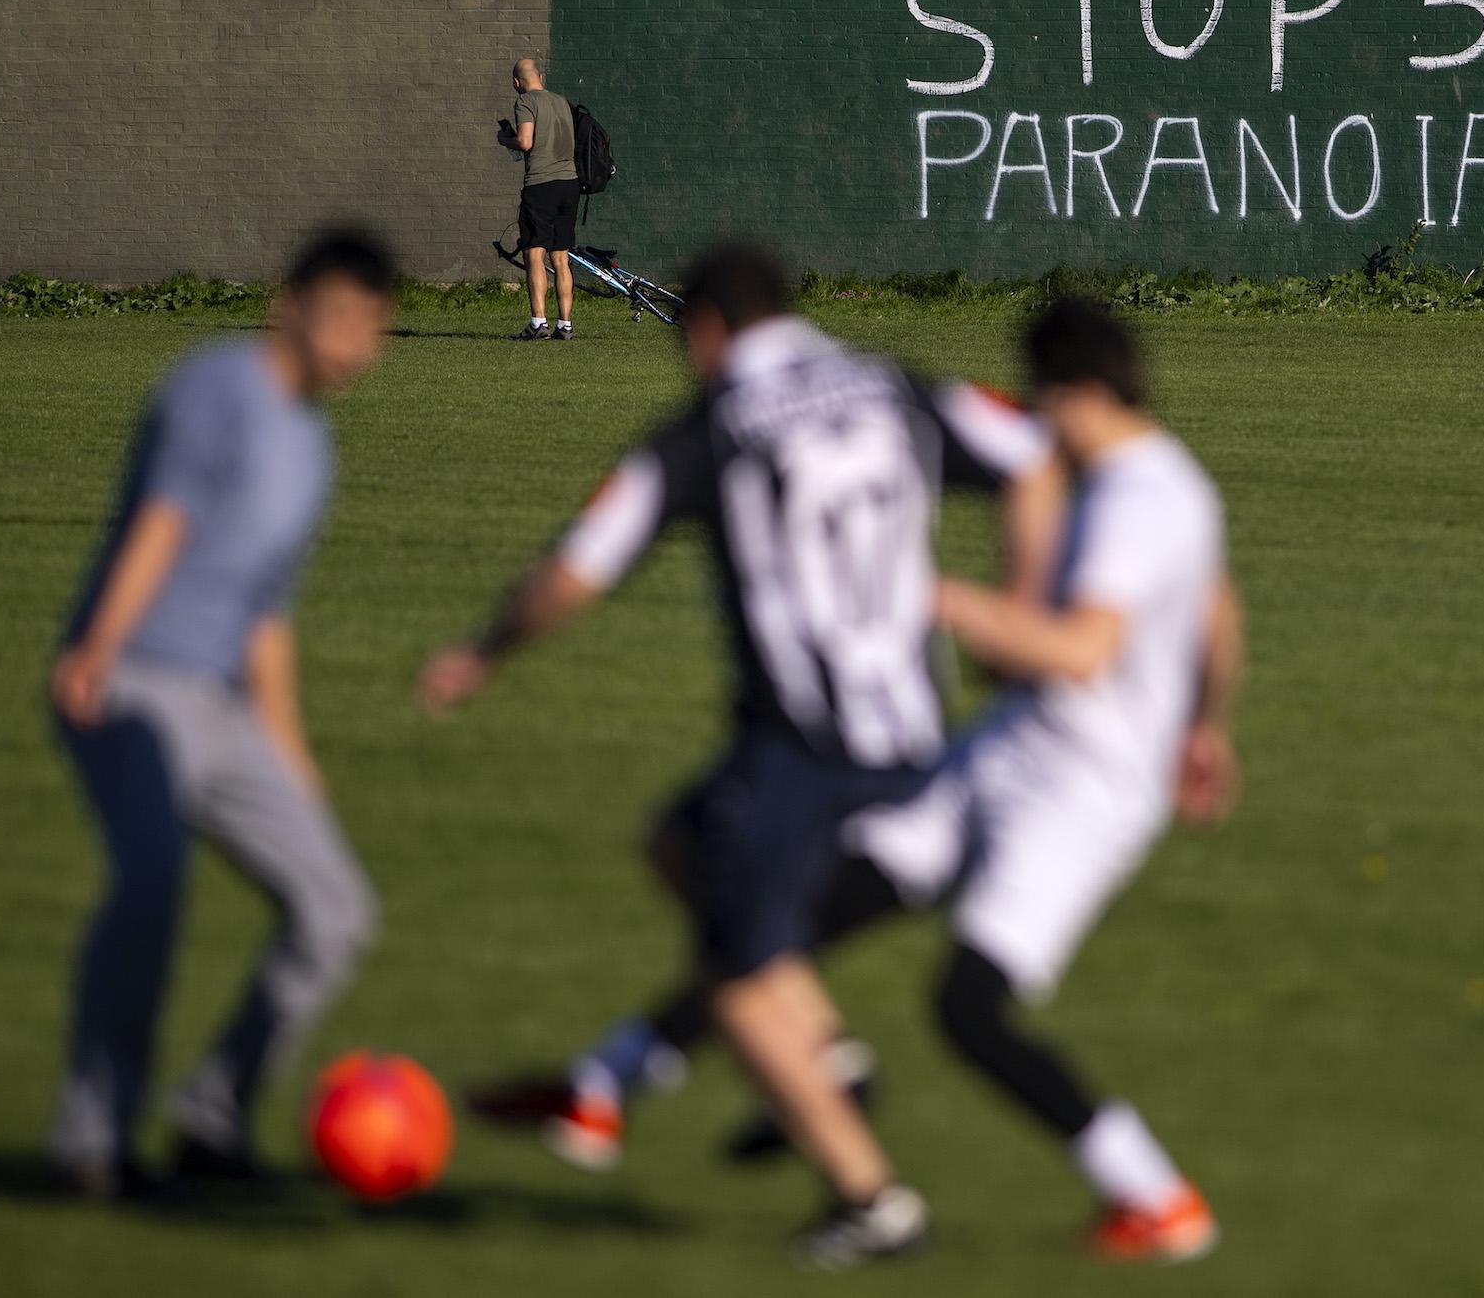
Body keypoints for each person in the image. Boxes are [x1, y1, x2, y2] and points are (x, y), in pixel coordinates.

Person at [500, 298, 1246, 1265]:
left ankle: (1158, 1200)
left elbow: (1078, 650)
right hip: (1010, 748)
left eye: (1040, 397)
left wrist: (930, 595)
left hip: (1081, 789)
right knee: (793, 904)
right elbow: (1218, 610)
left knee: (968, 1007)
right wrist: (1206, 726)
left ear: (1079, 392)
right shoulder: (1149, 484)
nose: (1032, 419)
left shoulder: (1139, 498)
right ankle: (605, 1085)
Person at [415, 242, 1062, 1267]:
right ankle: (829, 1057)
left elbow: (580, 566)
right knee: (680, 842)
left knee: (727, 971)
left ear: (708, 326)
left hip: (801, 745)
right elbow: (1035, 452)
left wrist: (484, 650)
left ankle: (870, 1197)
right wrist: (1023, 607)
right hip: (912, 730)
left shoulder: (710, 425)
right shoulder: (893, 386)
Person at [47, 230, 397, 1201]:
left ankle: (213, 1119)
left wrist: (291, 753)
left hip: (222, 707)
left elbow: (265, 612)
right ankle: (92, 1143)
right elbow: (164, 519)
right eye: (337, 318)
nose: (350, 345)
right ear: (288, 304)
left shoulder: (311, 443)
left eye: (371, 328)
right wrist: (98, 649)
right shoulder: (217, 388)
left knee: (335, 911)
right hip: (132, 689)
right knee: (152, 890)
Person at [505, 57, 579, 341]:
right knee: (561, 257)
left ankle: (538, 323)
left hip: (541, 184)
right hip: (569, 184)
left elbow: (525, 142)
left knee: (534, 252)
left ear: (516, 82)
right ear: (541, 77)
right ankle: (565, 325)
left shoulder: (525, 102)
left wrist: (505, 140)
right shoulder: (561, 101)